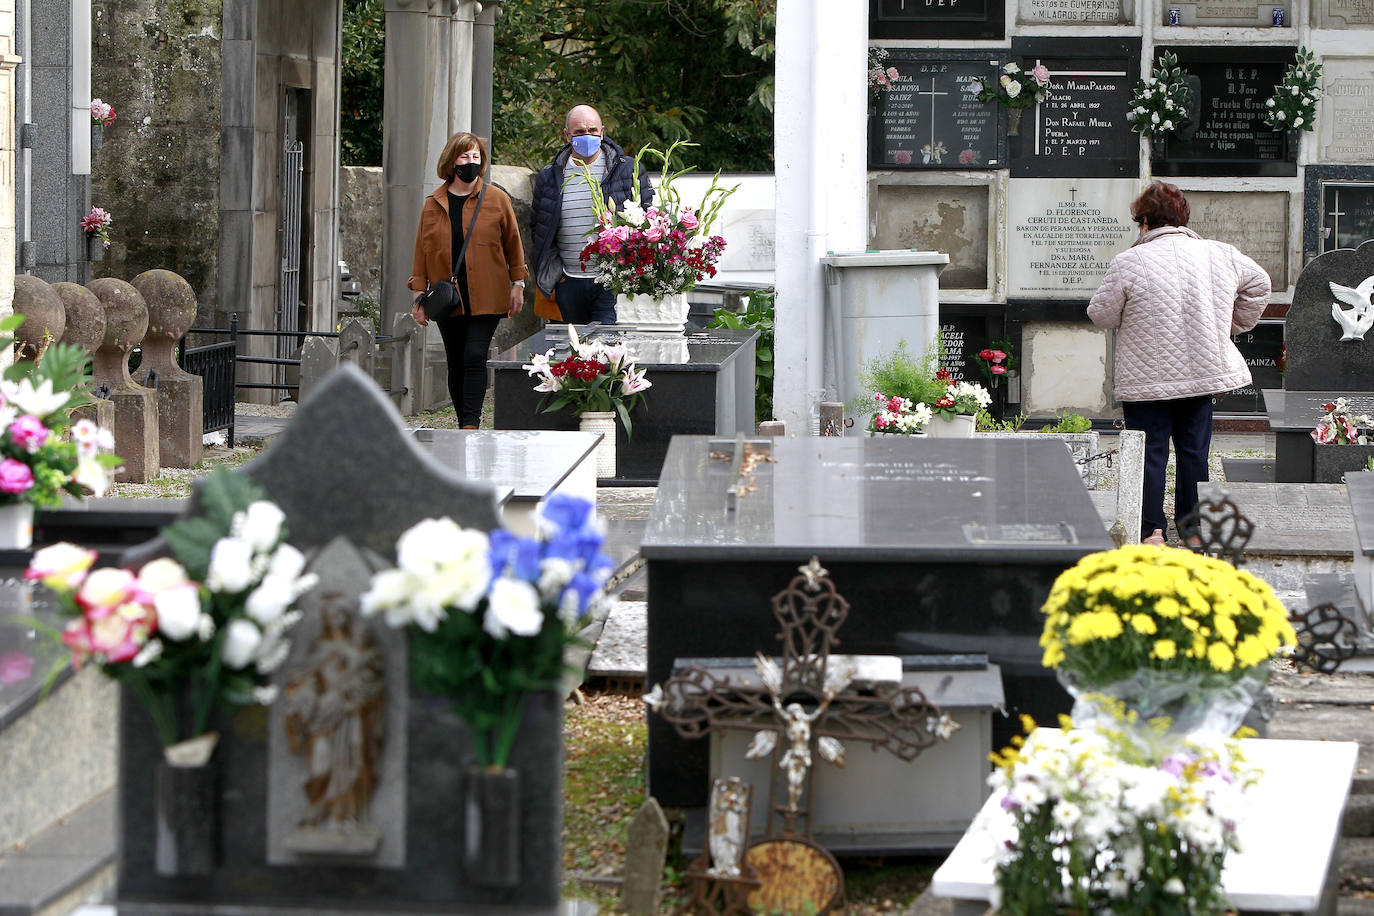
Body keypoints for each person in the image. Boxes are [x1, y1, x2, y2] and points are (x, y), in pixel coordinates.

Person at [1088, 180, 1270, 546]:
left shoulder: (1129, 261)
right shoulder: (1221, 254)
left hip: (1146, 380)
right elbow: (1259, 285)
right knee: (1194, 453)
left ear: (1144, 221)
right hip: (1200, 376)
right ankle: (1192, 530)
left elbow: (1101, 315)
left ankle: (1151, 530)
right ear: (1183, 217)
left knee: (1149, 454)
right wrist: (1231, 325)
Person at [409, 132, 527, 428]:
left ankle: (470, 424)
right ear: (451, 162)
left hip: (488, 294)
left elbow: (514, 243)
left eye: (476, 157)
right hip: (447, 297)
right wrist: (418, 296)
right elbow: (422, 252)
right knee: (456, 361)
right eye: (464, 157)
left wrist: (518, 284)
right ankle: (464, 420)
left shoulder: (497, 199)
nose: (470, 162)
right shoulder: (433, 203)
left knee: (475, 354)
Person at [529, 105, 654, 325]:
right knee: (571, 352)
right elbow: (539, 227)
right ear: (567, 135)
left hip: (612, 283)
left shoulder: (627, 170)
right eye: (579, 132)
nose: (587, 136)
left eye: (593, 131)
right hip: (568, 282)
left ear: (602, 132)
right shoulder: (550, 176)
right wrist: (556, 274)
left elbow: (647, 220)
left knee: (608, 350)